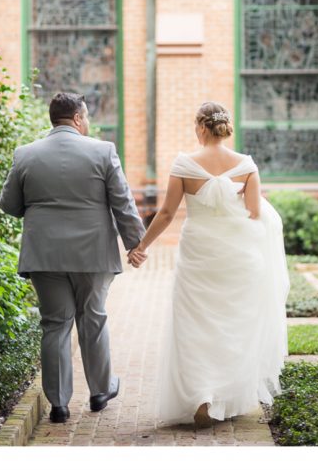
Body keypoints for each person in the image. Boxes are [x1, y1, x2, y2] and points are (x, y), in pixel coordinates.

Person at [129, 102, 288, 428]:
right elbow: (255, 214)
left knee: (194, 328)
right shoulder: (246, 165)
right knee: (233, 327)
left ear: (201, 127)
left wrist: (142, 246)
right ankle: (225, 396)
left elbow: (167, 214)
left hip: (198, 259)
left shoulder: (184, 164)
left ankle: (202, 397)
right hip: (239, 260)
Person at [0, 92, 146, 424]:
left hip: (44, 253)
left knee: (55, 324)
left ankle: (59, 404)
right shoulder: (102, 151)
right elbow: (122, 202)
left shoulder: (25, 154)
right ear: (79, 118)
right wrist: (135, 244)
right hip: (93, 253)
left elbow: (9, 205)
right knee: (93, 318)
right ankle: (100, 391)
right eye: (87, 117)